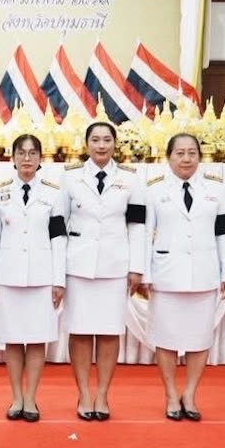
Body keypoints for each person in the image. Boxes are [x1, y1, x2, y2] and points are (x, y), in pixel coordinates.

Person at [140, 133, 225, 422]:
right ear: (168, 157)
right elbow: (144, 235)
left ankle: (190, 393)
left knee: (199, 338)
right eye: (179, 153)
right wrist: (144, 272)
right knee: (166, 339)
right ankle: (171, 393)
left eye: (191, 153)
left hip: (204, 274)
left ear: (199, 156)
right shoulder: (154, 190)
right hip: (166, 274)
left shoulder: (216, 190)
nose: (186, 159)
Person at [62, 121, 145, 422]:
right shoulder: (69, 178)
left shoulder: (130, 180)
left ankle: (103, 394)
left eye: (106, 140)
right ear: (86, 145)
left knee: (110, 332)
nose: (101, 145)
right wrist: (59, 271)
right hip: (78, 265)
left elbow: (138, 225)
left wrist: (137, 267)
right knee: (81, 331)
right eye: (95, 140)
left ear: (115, 144)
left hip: (114, 266)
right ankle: (84, 392)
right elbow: (59, 226)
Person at [0, 134, 66, 423]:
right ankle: (16, 396)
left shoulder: (53, 194)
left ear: (40, 159)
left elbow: (59, 239)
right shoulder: (0, 194)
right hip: (8, 275)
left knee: (36, 340)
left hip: (42, 277)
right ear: (13, 157)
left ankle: (31, 397)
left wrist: (59, 280)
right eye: (22, 153)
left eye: (33, 153)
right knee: (13, 339)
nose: (27, 159)